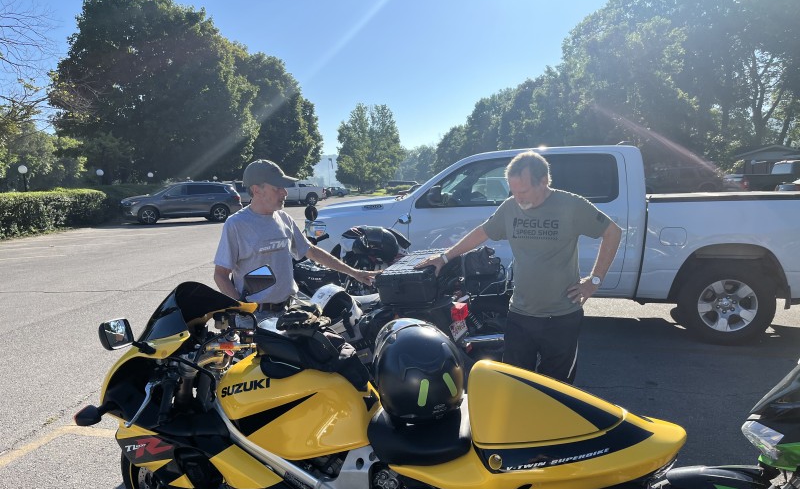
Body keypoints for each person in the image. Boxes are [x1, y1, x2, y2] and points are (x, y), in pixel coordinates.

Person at [416, 150, 622, 384]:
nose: (517, 198)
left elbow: (612, 232)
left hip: (562, 316)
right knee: (515, 383)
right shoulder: (510, 207)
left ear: (544, 181)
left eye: (523, 191)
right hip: (521, 315)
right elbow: (482, 232)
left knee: (556, 389)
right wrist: (444, 258)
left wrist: (594, 280)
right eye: (513, 191)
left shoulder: (571, 205)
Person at [214, 159, 377, 317]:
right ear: (256, 190)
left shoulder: (284, 218)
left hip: (288, 310)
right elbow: (221, 275)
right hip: (256, 316)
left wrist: (354, 272)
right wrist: (241, 309)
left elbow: (311, 251)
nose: (285, 192)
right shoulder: (236, 224)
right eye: (278, 188)